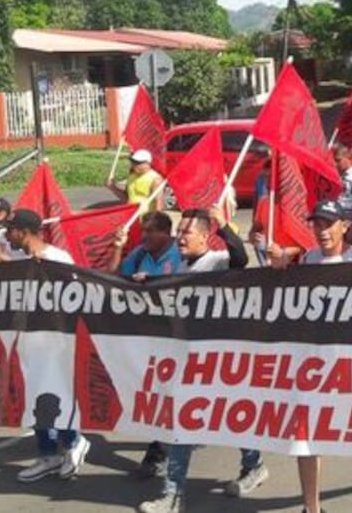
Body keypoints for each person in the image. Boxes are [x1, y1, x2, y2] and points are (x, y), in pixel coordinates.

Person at [261, 200, 352, 508]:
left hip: (351, 360)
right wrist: (278, 267)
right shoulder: (307, 259)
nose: (322, 231)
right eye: (316, 224)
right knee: (305, 432)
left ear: (344, 226)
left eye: (328, 224)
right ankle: (312, 507)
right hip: (311, 362)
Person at [138, 206, 249, 513]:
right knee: (183, 423)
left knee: (230, 419)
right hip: (191, 360)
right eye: (178, 232)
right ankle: (173, 493)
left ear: (205, 236)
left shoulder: (217, 260)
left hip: (220, 357)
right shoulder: (181, 267)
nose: (179, 238)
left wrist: (224, 225)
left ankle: (251, 465)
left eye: (186, 232)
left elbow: (240, 259)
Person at [0, 208, 90, 482]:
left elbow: (75, 295)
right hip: (27, 342)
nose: (7, 234)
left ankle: (73, 441)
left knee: (55, 395)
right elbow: (2, 265)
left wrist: (46, 273)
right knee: (31, 398)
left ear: (24, 231)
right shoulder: (21, 257)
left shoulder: (57, 257)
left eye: (10, 230)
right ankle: (47, 453)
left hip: (55, 342)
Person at [108, 211, 181, 277]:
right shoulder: (140, 253)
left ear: (165, 233)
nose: (143, 236)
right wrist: (118, 247)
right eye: (142, 230)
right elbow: (113, 276)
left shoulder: (182, 255)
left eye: (149, 231)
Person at [106, 149, 164, 213]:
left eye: (138, 162)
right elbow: (126, 198)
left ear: (147, 163)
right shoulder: (131, 176)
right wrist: (113, 187)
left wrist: (156, 220)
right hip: (131, 216)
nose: (134, 165)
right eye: (133, 161)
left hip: (146, 218)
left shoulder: (155, 179)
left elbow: (159, 202)